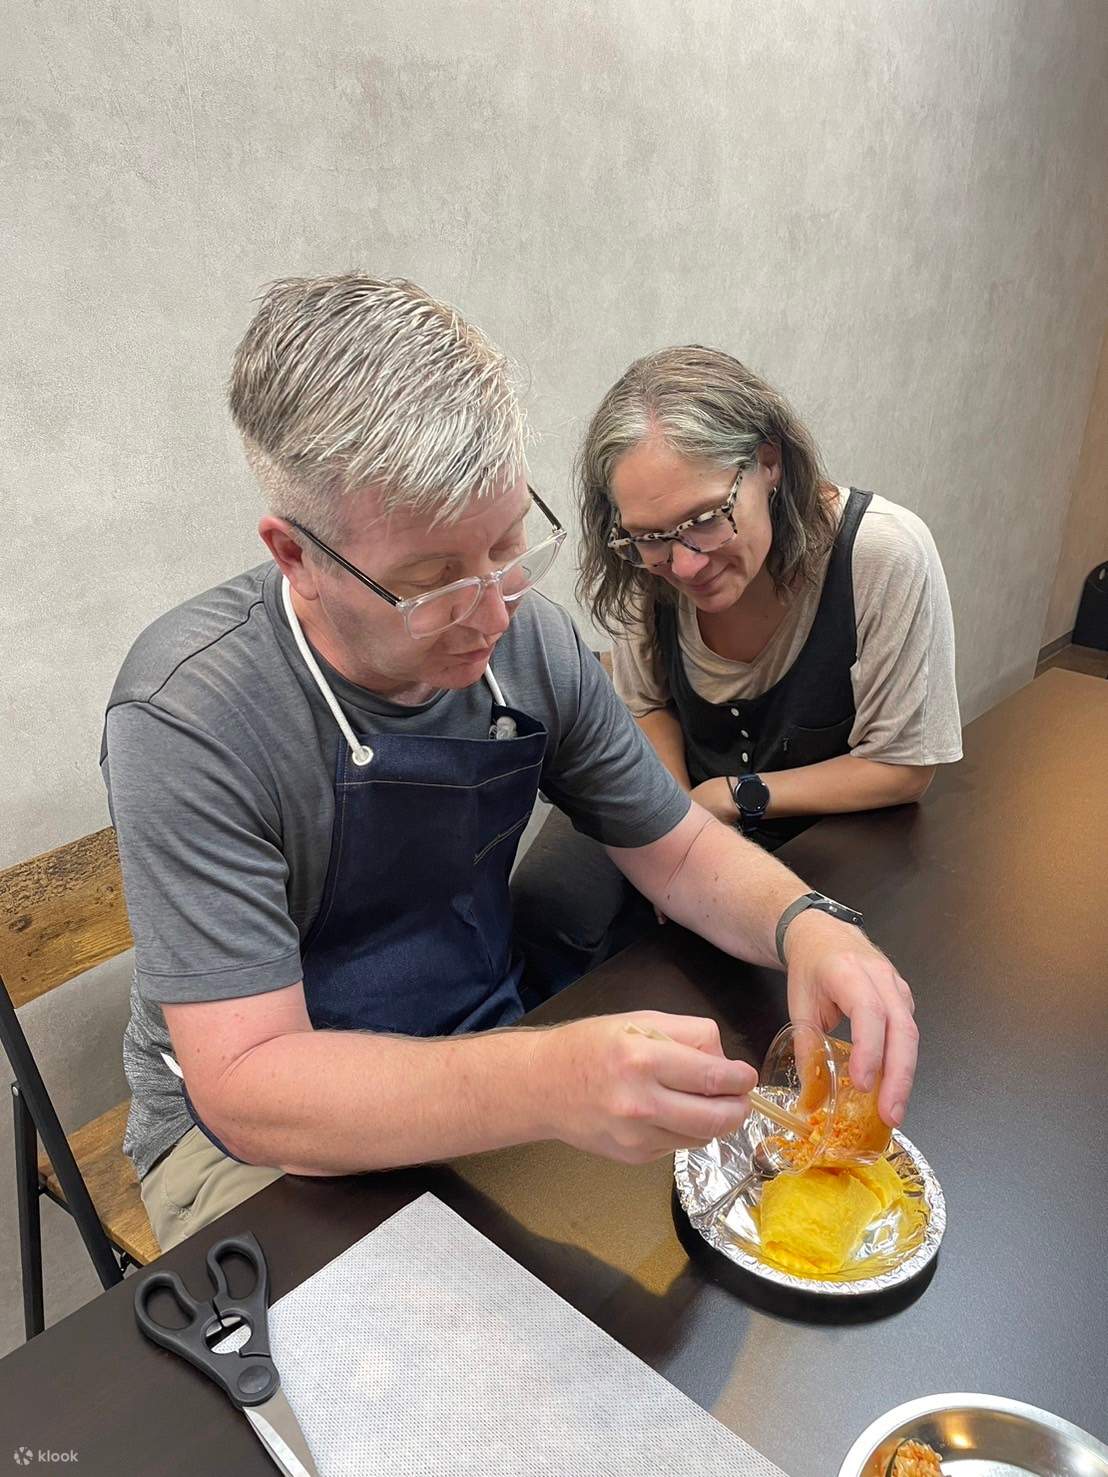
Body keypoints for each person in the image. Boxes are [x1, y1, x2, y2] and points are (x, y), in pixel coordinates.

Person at [102, 277, 918, 1251]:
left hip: (479, 1044)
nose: (493, 613)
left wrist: (808, 928)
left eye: (505, 545)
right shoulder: (190, 713)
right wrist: (547, 1080)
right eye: (431, 581)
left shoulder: (527, 641)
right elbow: (248, 1087)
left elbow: (681, 851)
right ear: (295, 555)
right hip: (260, 1147)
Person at [513, 346, 961, 990]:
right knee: (546, 910)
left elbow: (903, 767)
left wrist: (734, 797)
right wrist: (674, 819)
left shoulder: (880, 555)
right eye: (651, 536)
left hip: (815, 815)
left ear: (770, 463)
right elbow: (646, 708)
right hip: (678, 790)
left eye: (705, 520)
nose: (685, 564)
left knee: (760, 974)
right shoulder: (651, 563)